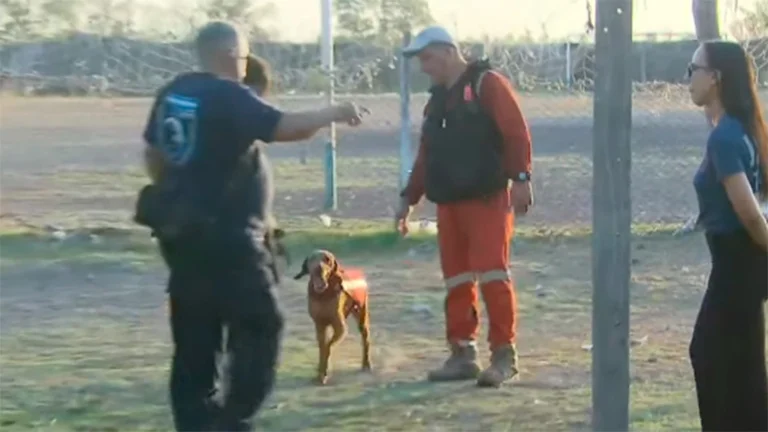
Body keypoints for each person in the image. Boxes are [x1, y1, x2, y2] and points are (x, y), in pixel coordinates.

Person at [138, 21, 366, 431]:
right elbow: (286, 127)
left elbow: (154, 154)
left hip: (182, 239)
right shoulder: (227, 94)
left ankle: (197, 422)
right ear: (231, 56)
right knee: (262, 325)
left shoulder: (174, 93)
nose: (245, 67)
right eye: (243, 58)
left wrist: (178, 192)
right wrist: (336, 112)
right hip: (229, 242)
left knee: (195, 337)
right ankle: (231, 419)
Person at [395, 26, 533, 388]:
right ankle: (462, 354)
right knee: (456, 280)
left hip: (487, 198)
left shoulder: (488, 85)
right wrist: (407, 198)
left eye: (426, 58)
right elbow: (426, 155)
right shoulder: (437, 100)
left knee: (492, 274)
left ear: (447, 52)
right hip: (450, 204)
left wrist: (521, 178)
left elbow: (515, 132)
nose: (424, 67)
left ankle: (504, 355)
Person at [687, 40, 768, 431]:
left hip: (736, 262)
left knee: (712, 358)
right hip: (740, 262)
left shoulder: (725, 137)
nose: (689, 79)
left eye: (693, 70)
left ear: (714, 78)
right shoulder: (738, 129)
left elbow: (751, 216)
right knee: (742, 366)